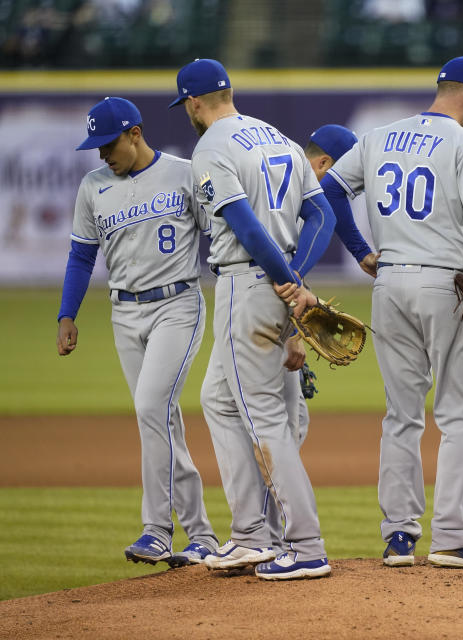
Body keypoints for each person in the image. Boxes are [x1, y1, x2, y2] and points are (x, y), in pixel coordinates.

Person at [321, 56, 463, 569]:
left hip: (389, 284)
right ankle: (452, 536)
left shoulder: (380, 136)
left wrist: (358, 247)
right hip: (443, 283)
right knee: (458, 416)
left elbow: (329, 191)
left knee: (401, 416)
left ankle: (399, 538)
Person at [169, 58, 336, 581]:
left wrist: (287, 283)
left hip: (250, 284)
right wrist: (297, 277)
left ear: (194, 103)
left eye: (187, 106)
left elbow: (242, 225)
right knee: (219, 400)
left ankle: (306, 545)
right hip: (276, 281)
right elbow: (322, 214)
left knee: (262, 414)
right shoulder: (280, 138)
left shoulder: (211, 147)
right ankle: (250, 536)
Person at [56, 97, 218, 568]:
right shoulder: (93, 186)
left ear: (135, 133)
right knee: (160, 420)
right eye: (96, 147)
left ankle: (156, 530)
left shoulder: (184, 172)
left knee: (151, 407)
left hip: (177, 305)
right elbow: (81, 255)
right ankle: (203, 536)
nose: (102, 154)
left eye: (108, 144)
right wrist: (67, 314)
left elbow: (221, 231)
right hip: (123, 314)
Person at [268, 124, 359, 543]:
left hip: (268, 311)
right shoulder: (297, 195)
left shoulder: (282, 184)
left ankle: (267, 535)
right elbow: (278, 273)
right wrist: (292, 330)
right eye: (343, 176)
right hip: (270, 319)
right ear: (324, 164)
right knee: (278, 430)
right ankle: (276, 538)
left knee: (288, 427)